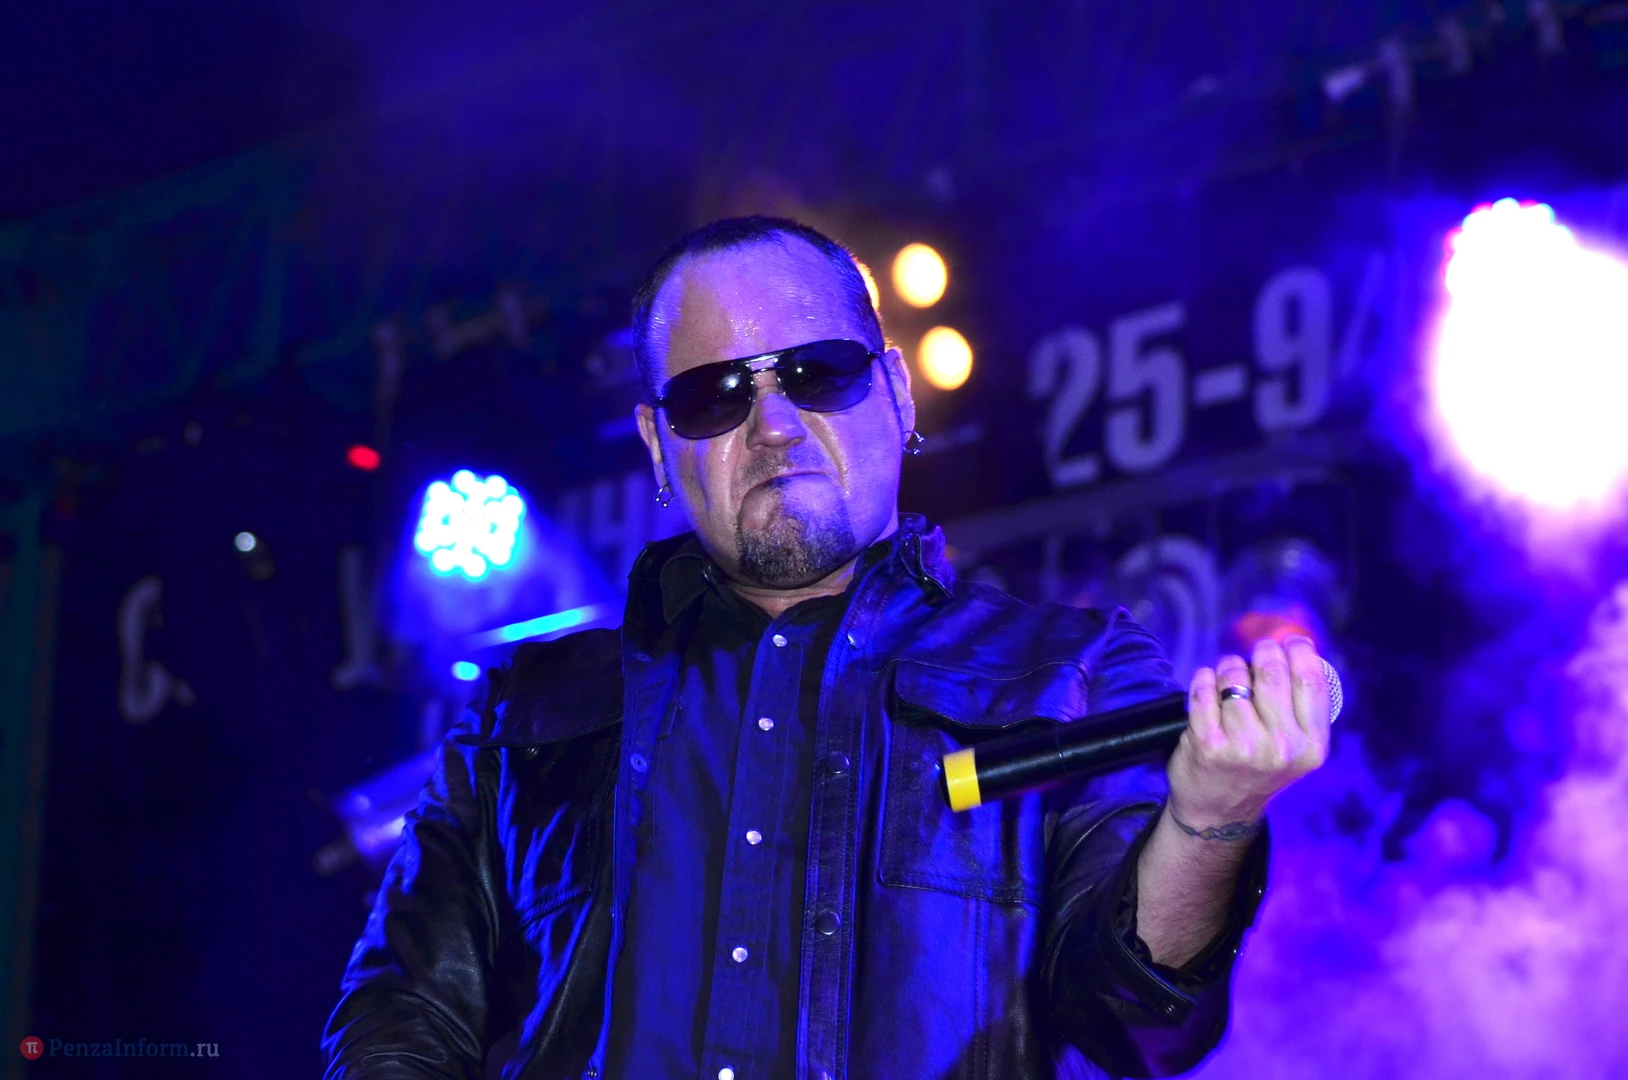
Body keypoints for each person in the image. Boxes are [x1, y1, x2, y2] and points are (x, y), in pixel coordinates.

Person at [321, 217, 1332, 1080]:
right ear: (658, 443)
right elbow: (402, 1013)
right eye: (714, 394)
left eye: (818, 373)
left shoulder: (1072, 676)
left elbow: (1138, 1021)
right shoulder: (526, 714)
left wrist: (1209, 820)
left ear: (896, 392)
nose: (773, 424)